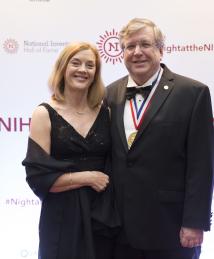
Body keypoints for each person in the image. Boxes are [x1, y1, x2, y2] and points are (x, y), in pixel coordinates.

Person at [105, 18, 214, 259]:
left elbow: (202, 165)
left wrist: (195, 222)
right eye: (130, 46)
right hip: (119, 230)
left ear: (161, 50)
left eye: (145, 44)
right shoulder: (108, 94)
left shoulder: (193, 93)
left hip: (172, 228)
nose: (137, 52)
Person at [22, 42, 120, 259]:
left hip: (103, 216)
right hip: (61, 216)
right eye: (75, 63)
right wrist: (87, 177)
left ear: (96, 73)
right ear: (62, 68)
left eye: (90, 65)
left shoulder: (107, 113)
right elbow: (38, 178)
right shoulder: (43, 114)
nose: (83, 70)